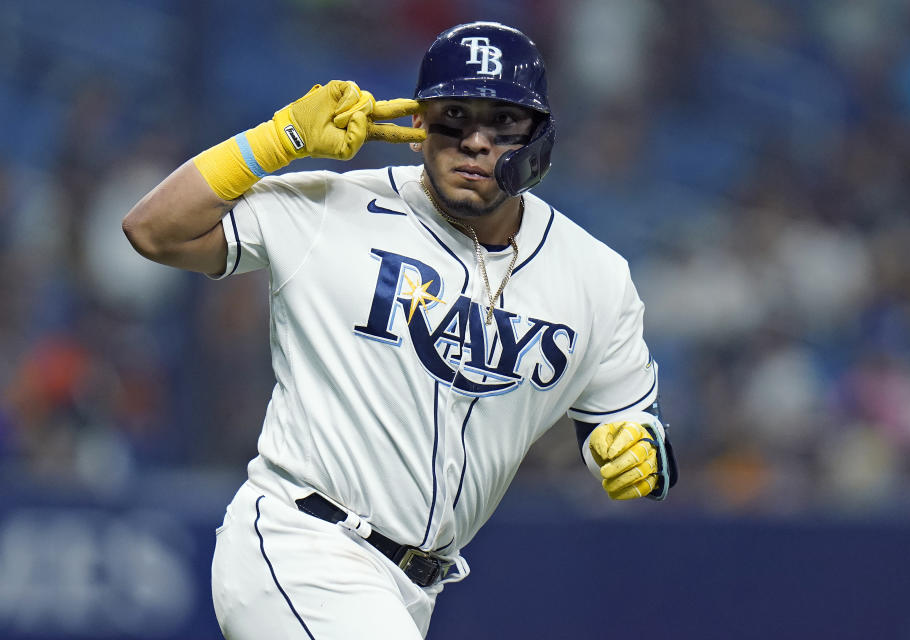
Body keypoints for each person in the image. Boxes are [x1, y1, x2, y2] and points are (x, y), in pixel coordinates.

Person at [123, 21, 677, 640]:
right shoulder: (329, 208)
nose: (474, 140)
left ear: (540, 140)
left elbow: (629, 421)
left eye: (501, 123)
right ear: (416, 126)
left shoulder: (596, 277)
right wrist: (278, 141)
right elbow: (154, 230)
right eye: (452, 116)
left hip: (416, 587)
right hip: (302, 544)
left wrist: (640, 452)